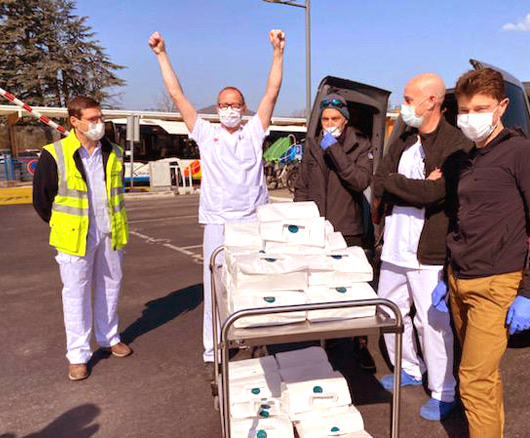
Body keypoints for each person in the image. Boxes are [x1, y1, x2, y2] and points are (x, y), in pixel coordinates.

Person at [148, 29, 285, 371]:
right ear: (217, 107)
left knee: (254, 284)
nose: (228, 110)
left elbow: (272, 91)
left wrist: (278, 52)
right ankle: (213, 350)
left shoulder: (255, 132)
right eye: (223, 105)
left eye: (234, 105)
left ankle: (255, 339)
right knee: (215, 289)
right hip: (217, 224)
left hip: (252, 221)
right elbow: (177, 95)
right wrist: (162, 54)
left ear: (243, 108)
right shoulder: (205, 134)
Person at [433, 68, 530, 437]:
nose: (471, 117)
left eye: (481, 108)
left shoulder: (524, 154)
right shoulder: (464, 159)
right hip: (459, 281)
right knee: (482, 377)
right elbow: (459, 220)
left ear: (502, 107)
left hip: (496, 286)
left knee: (473, 380)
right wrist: (446, 275)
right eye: (465, 109)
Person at [372, 74, 472, 420]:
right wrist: (408, 185)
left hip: (428, 251)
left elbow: (436, 193)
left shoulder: (455, 144)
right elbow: (380, 180)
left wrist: (398, 184)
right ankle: (408, 368)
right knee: (389, 311)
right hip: (394, 247)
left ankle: (444, 390)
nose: (404, 106)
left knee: (431, 323)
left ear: (432, 101)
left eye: (409, 98)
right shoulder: (403, 137)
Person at [33, 96, 131, 381]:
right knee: (75, 294)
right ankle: (78, 355)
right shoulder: (55, 154)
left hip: (109, 231)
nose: (98, 124)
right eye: (92, 119)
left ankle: (110, 337)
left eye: (100, 118)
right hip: (75, 237)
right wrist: (65, 225)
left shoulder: (112, 152)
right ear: (74, 122)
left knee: (110, 286)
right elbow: (42, 199)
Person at [293, 93, 376, 372]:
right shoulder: (313, 145)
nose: (329, 124)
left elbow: (359, 181)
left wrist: (336, 152)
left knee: (352, 288)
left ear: (346, 120)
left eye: (335, 119)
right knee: (321, 287)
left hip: (348, 230)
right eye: (325, 119)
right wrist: (300, 221)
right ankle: (324, 342)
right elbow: (302, 185)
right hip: (317, 229)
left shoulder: (361, 145)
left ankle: (359, 343)